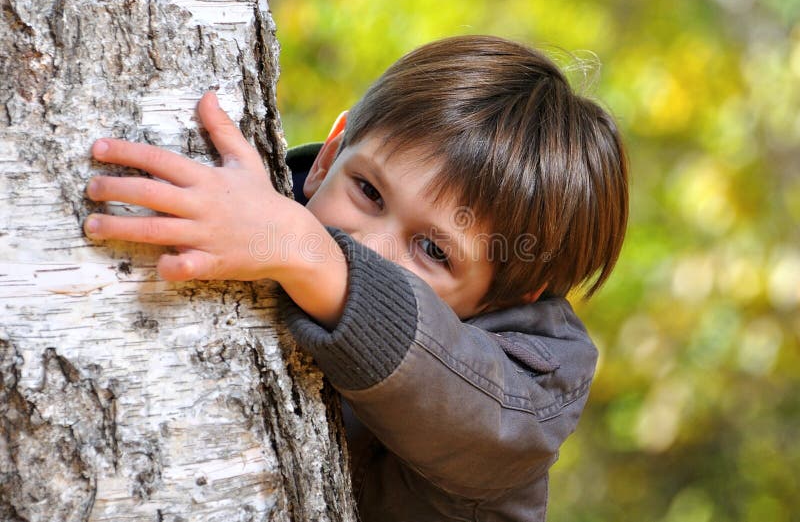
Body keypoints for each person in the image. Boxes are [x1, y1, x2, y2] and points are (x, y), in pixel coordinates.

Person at [84, 35, 628, 521]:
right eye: (368, 191)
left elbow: (476, 401)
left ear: (499, 297)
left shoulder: (525, 399)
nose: (369, 246)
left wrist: (300, 248)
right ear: (327, 158)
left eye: (434, 249)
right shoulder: (266, 226)